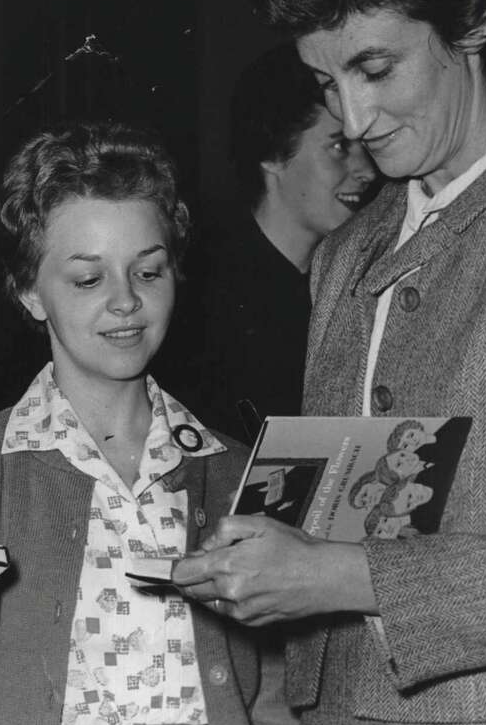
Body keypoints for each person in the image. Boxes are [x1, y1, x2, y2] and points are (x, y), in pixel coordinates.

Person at [172, 0, 486, 725]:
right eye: (324, 82)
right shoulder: (346, 250)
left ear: (474, 23)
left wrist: (337, 576)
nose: (352, 115)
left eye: (375, 67)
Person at [0, 120, 285, 725]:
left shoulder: (233, 468)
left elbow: (272, 697)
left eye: (148, 271)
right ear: (29, 292)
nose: (124, 301)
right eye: (88, 279)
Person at [157, 42, 376, 440]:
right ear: (273, 155)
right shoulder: (201, 304)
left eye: (365, 146)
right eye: (340, 147)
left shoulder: (348, 281)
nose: (366, 171)